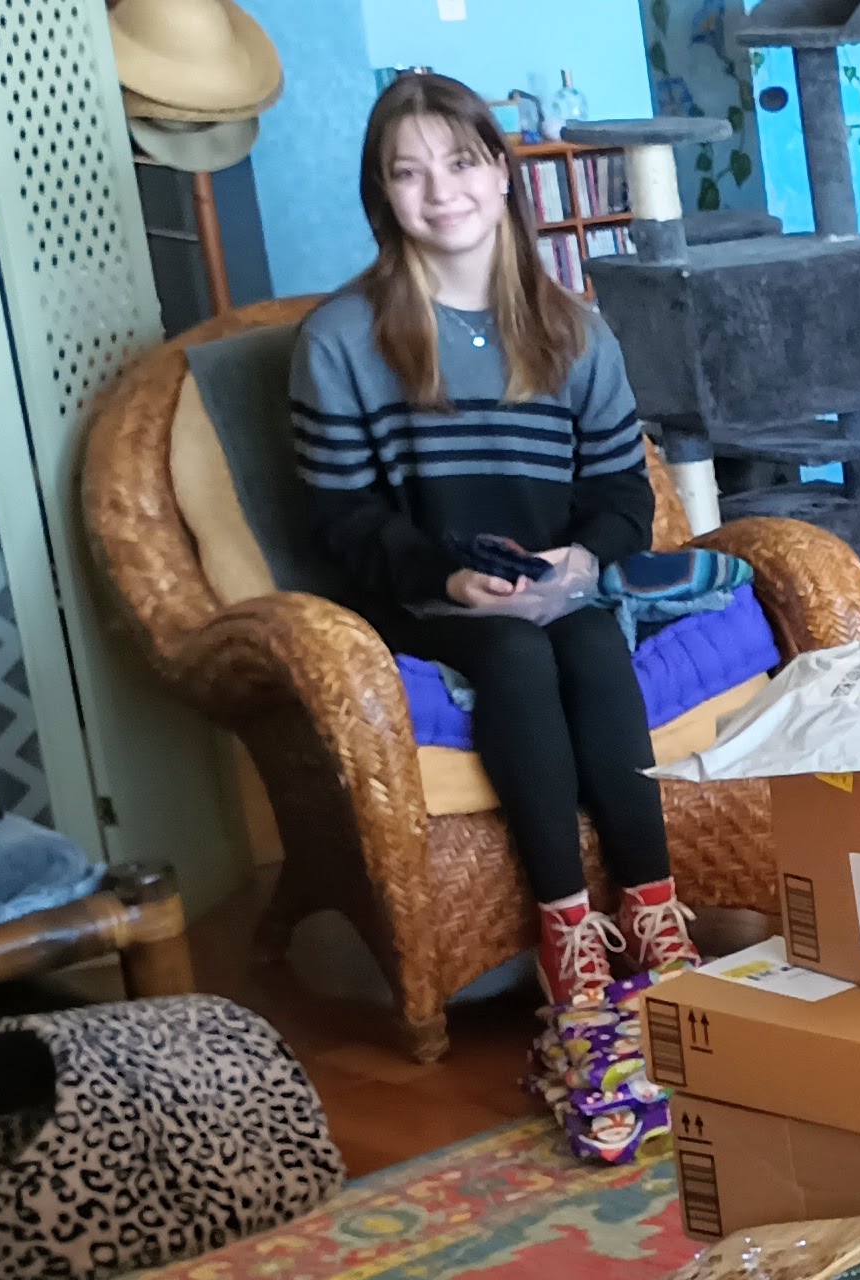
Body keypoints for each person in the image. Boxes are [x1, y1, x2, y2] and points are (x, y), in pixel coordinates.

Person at [291, 71, 691, 1011]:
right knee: (514, 655)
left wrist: (582, 562)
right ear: (382, 195)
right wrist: (448, 576)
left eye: (461, 163)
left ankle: (653, 910)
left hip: (560, 588)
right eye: (409, 172)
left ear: (502, 173)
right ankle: (566, 930)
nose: (441, 191)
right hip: (419, 597)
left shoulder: (575, 331)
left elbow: (621, 491)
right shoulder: (339, 340)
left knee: (591, 646)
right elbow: (340, 518)